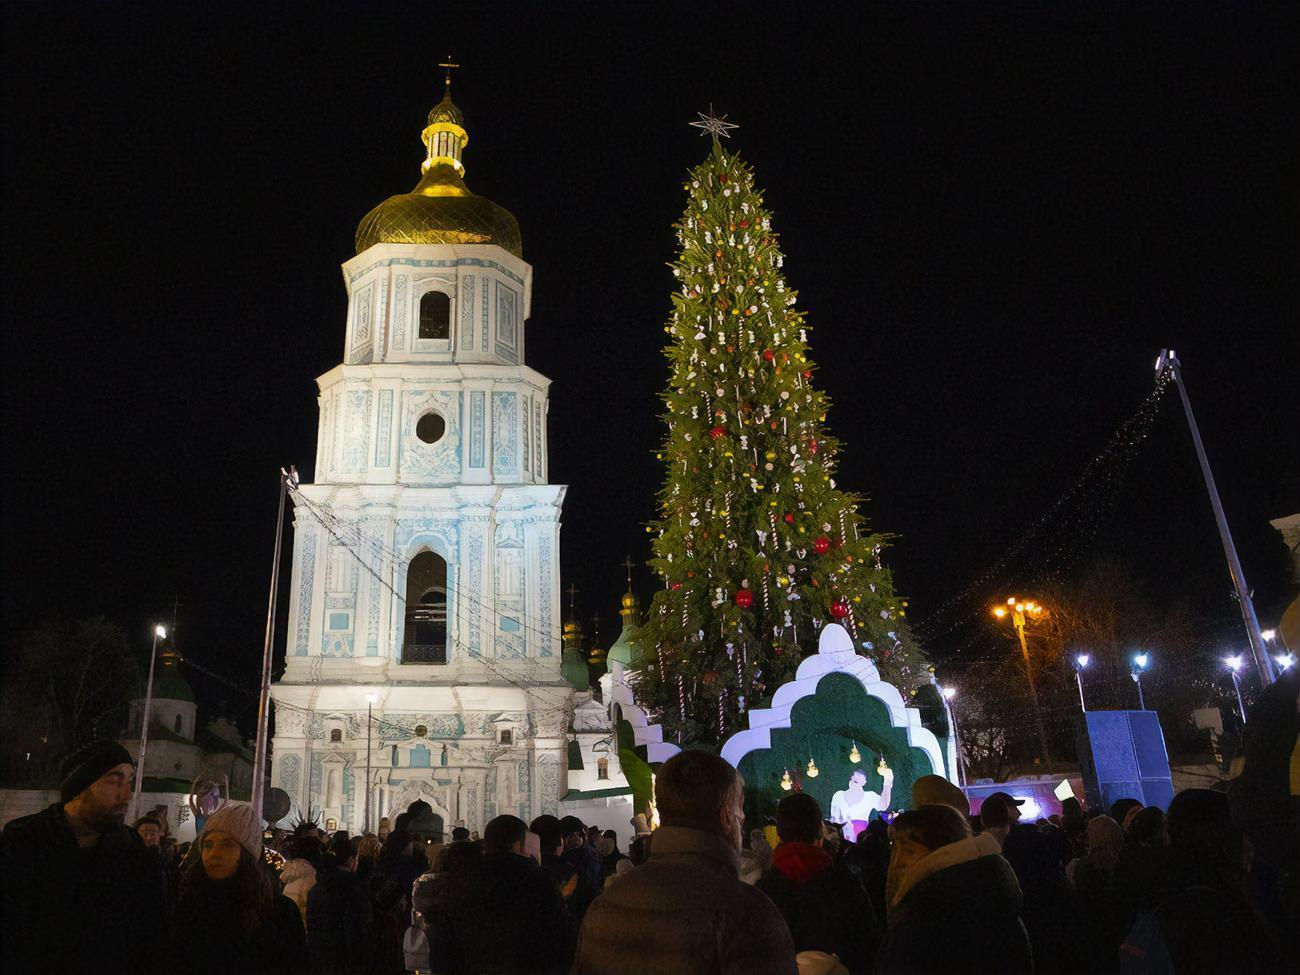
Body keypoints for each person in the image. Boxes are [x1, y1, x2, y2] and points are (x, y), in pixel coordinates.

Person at [573, 749, 796, 975]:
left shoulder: (606, 905)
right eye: (740, 810)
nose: (743, 820)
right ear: (726, 816)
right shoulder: (747, 913)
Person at [1, 739, 167, 975]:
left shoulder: (133, 852)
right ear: (79, 787)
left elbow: (151, 939)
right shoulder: (22, 842)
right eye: (114, 780)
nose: (127, 795)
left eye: (129, 781)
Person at [1120, 789, 1281, 973]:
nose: (1249, 845)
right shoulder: (1215, 915)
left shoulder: (1164, 896)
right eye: (1240, 831)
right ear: (1220, 837)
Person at [876, 803, 1030, 973]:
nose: (897, 862)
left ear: (942, 849)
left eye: (910, 851)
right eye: (894, 849)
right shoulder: (986, 889)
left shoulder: (931, 914)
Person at [172, 802, 305, 974]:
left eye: (227, 845)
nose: (214, 854)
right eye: (208, 845)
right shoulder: (189, 905)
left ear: (247, 854)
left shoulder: (279, 912)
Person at [756, 791, 879, 974]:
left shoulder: (761, 891)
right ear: (820, 834)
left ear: (779, 835)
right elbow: (870, 948)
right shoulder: (846, 885)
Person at [981, 793, 1075, 973]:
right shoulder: (1031, 840)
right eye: (1015, 807)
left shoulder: (979, 852)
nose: (1020, 813)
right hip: (1042, 918)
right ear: (1006, 811)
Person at [306, 830, 372, 973]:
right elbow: (357, 925)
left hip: (320, 954)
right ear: (350, 860)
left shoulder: (318, 885)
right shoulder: (351, 885)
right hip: (344, 957)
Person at [829, 758, 894, 841]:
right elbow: (834, 820)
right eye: (852, 777)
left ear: (864, 782)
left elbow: (883, 805)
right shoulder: (838, 795)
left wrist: (887, 783)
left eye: (858, 778)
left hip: (861, 839)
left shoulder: (869, 796)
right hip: (841, 839)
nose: (854, 779)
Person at [560, 814, 604, 921]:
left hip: (590, 909)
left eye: (578, 834)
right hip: (578, 912)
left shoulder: (591, 855)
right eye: (571, 835)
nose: (576, 838)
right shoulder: (563, 860)